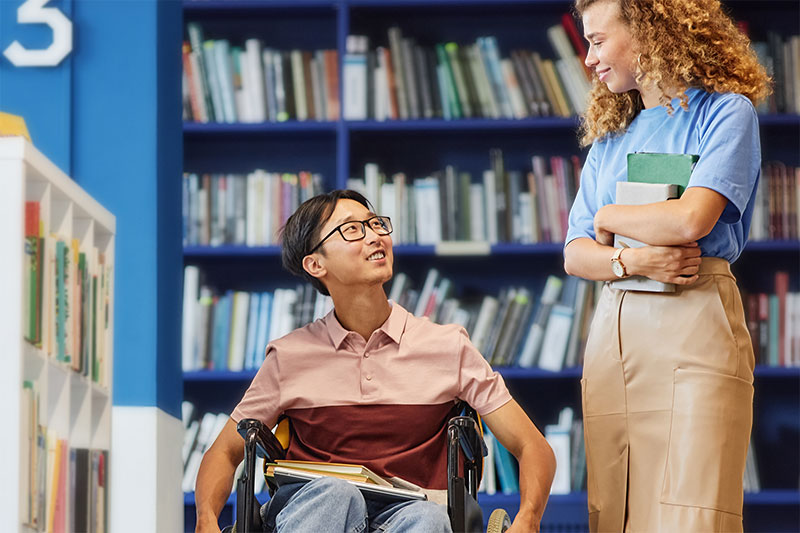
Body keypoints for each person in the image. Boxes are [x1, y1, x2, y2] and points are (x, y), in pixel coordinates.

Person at [195, 190, 556, 533]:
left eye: (376, 225)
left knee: (428, 520)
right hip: (315, 508)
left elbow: (532, 446)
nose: (374, 237)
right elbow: (224, 453)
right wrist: (206, 522)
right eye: (352, 229)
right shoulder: (289, 357)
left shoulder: (448, 346)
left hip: (413, 510)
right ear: (315, 263)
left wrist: (528, 519)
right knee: (336, 494)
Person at [563, 0, 771, 531]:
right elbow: (574, 252)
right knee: (615, 512)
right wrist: (632, 259)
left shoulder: (726, 112)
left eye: (598, 41)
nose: (589, 58)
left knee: (696, 514)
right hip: (617, 340)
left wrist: (609, 215)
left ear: (650, 31)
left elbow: (691, 221)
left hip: (696, 333)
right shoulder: (609, 140)